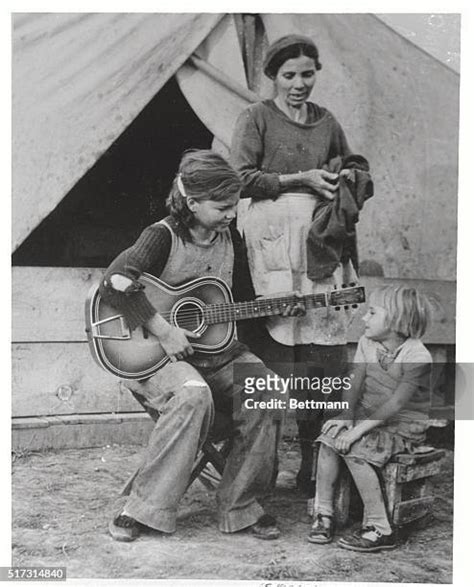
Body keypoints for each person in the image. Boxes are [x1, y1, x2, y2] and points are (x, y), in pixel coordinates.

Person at [99, 149, 302, 543]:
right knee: (193, 396)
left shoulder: (231, 238)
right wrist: (162, 328)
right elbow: (117, 284)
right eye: (222, 206)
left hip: (219, 353)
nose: (231, 213)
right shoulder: (161, 236)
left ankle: (242, 505)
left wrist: (279, 307)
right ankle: (143, 509)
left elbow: (238, 301)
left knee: (269, 391)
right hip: (160, 357)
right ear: (192, 203)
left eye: (234, 206)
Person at [230, 34, 361, 494]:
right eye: (289, 75)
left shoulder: (326, 122)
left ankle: (313, 465)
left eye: (307, 73)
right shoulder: (256, 118)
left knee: (320, 359)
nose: (299, 83)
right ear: (273, 77)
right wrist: (297, 178)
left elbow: (353, 161)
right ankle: (260, 472)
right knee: (278, 355)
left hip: (318, 250)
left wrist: (347, 174)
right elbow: (239, 179)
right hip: (271, 249)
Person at [308, 286, 433, 552]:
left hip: (401, 427)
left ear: (397, 321)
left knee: (355, 448)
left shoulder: (417, 356)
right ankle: (324, 513)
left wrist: (355, 433)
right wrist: (347, 415)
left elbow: (396, 404)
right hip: (369, 418)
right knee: (328, 438)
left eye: (372, 313)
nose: (364, 318)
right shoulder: (367, 343)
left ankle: (380, 528)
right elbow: (355, 381)